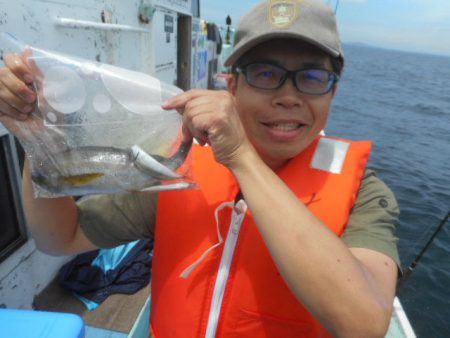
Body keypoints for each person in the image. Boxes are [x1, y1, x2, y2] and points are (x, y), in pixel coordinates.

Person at [0, 0, 400, 337]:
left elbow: (363, 322)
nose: (288, 96)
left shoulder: (364, 192)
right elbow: (61, 237)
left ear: (333, 91)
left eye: (312, 77)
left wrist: (241, 157)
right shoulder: (181, 166)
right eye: (266, 74)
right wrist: (40, 140)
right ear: (233, 86)